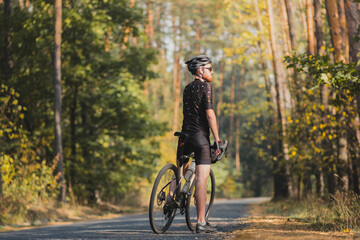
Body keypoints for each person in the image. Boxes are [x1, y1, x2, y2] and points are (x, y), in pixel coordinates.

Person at [177, 55, 221, 233]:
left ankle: (172, 198)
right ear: (201, 70)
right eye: (209, 68)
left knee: (179, 174)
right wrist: (216, 140)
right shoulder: (206, 87)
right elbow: (210, 115)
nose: (212, 72)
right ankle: (201, 222)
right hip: (200, 138)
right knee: (201, 181)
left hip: (183, 136)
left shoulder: (187, 88)